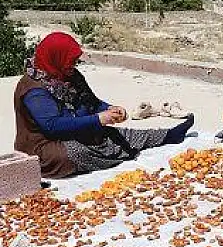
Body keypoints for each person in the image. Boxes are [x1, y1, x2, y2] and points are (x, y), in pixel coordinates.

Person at [14, 32, 194, 178]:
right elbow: (53, 126)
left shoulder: (71, 76)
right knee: (75, 153)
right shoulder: (34, 89)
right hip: (46, 146)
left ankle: (168, 135)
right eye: (70, 61)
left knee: (121, 136)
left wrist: (109, 109)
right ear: (56, 58)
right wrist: (98, 119)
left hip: (78, 131)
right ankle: (114, 156)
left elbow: (92, 102)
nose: (74, 65)